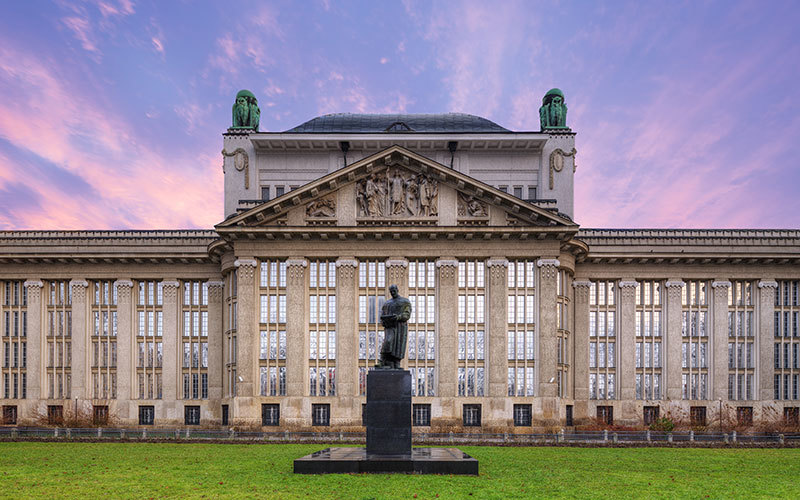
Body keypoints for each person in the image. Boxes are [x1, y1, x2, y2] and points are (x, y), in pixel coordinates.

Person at [377, 284, 411, 369]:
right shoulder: (387, 303)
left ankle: (396, 363)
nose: (392, 293)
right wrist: (384, 321)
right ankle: (383, 360)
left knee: (398, 345)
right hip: (390, 326)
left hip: (400, 327)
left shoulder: (404, 301)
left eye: (394, 291)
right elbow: (382, 316)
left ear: (397, 290)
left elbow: (407, 314)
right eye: (391, 291)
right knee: (388, 341)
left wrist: (398, 317)